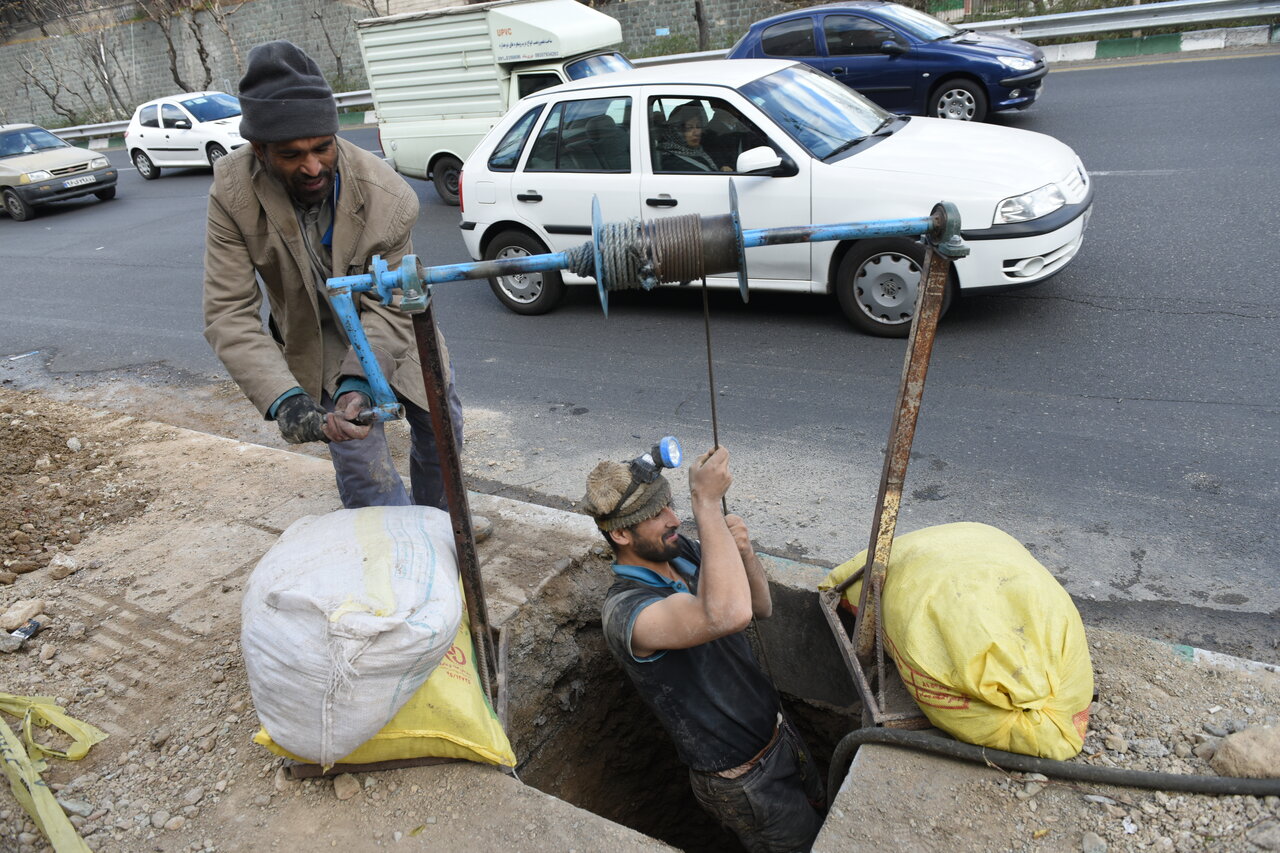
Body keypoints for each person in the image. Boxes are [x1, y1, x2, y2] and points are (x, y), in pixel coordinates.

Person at [203, 41, 481, 526]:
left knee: (442, 431)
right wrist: (285, 401)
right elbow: (228, 311)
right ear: (259, 151)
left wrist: (362, 381)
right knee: (363, 470)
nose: (312, 167)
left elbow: (393, 305)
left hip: (395, 330)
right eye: (291, 155)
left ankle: (440, 525)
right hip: (313, 342)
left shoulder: (387, 195)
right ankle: (394, 551)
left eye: (322, 148)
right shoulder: (232, 193)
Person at [580, 446, 825, 852]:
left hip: (780, 737)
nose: (674, 520)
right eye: (655, 516)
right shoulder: (627, 612)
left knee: (825, 820)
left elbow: (758, 608)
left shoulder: (683, 553)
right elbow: (724, 616)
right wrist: (707, 503)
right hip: (743, 780)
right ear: (620, 534)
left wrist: (743, 554)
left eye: (672, 505)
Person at [658, 102, 734, 173]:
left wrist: (721, 169)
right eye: (689, 128)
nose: (696, 133)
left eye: (698, 127)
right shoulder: (672, 162)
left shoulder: (699, 151)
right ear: (677, 132)